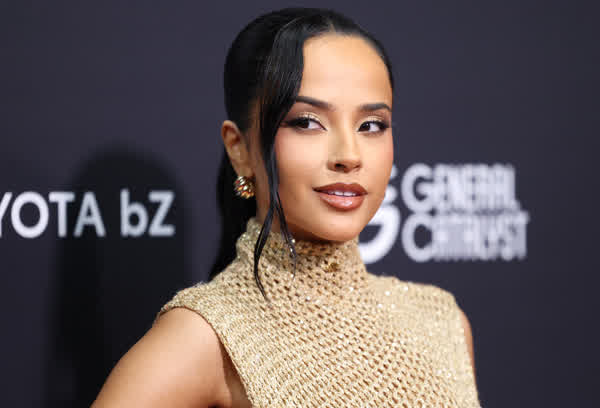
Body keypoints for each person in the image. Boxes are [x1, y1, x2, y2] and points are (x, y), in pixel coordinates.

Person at [92, 7, 480, 407]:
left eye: (371, 125)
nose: (349, 155)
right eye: (307, 122)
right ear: (239, 149)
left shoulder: (441, 321)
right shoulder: (209, 334)